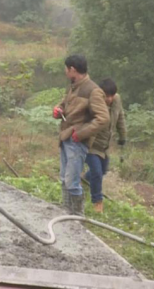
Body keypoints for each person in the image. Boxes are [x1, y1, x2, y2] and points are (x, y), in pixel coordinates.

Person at [52, 54, 109, 216]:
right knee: (64, 179)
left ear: (72, 70)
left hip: (77, 142)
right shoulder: (73, 86)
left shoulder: (93, 90)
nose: (65, 72)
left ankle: (77, 216)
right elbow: (64, 104)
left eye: (66, 69)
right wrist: (58, 110)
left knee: (72, 182)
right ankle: (66, 211)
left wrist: (82, 133)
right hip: (65, 138)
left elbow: (103, 118)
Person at [84, 78, 127, 214]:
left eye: (111, 96)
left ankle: (84, 180)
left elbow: (120, 118)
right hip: (91, 145)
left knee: (102, 171)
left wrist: (123, 136)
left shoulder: (117, 100)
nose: (109, 99)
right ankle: (97, 202)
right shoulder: (94, 100)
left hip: (105, 146)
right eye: (106, 96)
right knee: (97, 173)